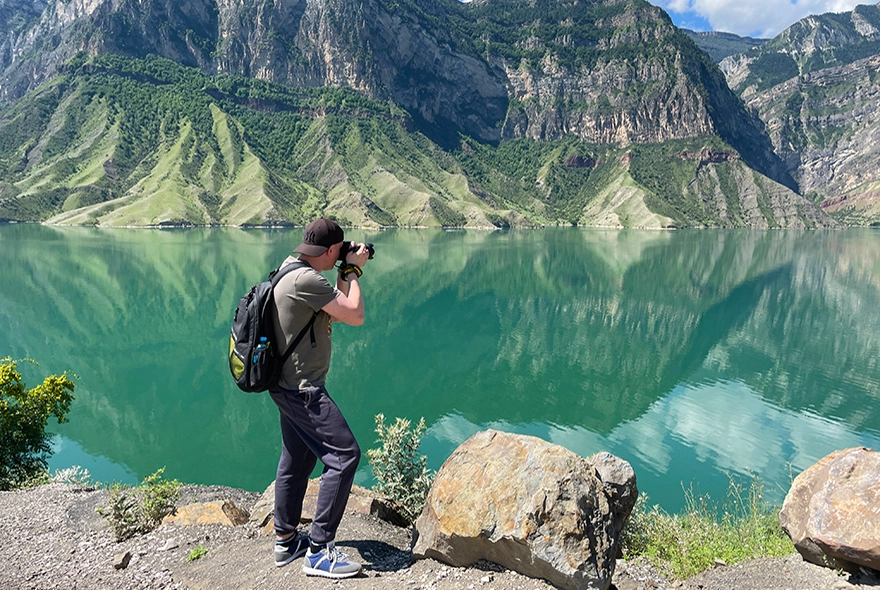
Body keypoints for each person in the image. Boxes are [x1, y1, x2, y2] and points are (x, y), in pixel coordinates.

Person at [267, 218, 370, 579]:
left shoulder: (290, 268)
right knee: (344, 457)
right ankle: (319, 552)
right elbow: (354, 314)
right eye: (337, 251)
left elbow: (336, 310)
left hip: (285, 385)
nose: (339, 256)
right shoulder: (308, 280)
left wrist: (345, 268)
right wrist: (354, 270)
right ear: (329, 251)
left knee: (297, 458)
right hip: (304, 390)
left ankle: (286, 540)